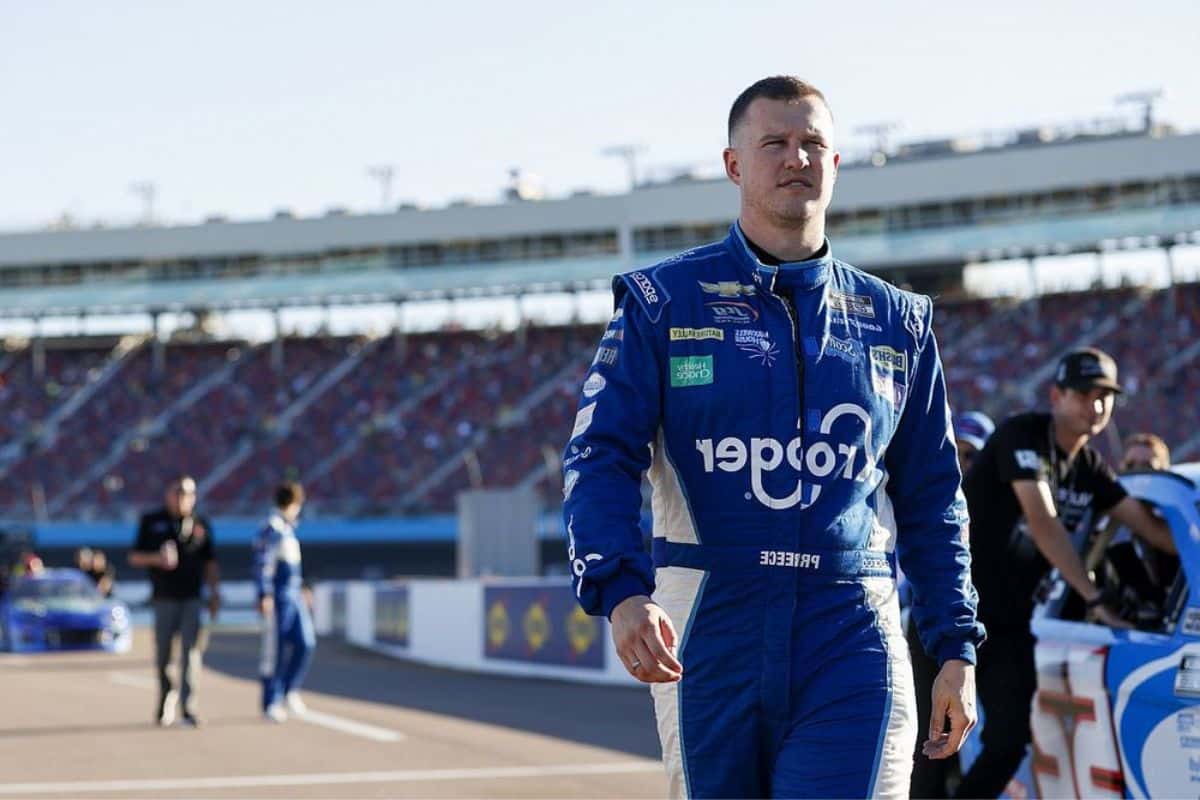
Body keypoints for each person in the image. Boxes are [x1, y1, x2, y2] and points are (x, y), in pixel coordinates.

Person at [562, 75, 984, 798]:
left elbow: (933, 496)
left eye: (813, 143)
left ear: (836, 162)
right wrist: (621, 588)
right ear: (734, 165)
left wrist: (954, 645)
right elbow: (599, 454)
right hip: (709, 630)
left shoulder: (899, 322)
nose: (797, 158)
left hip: (851, 629)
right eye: (775, 144)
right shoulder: (662, 303)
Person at [955, 348, 1175, 798]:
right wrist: (1095, 599)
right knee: (932, 743)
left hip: (1010, 624)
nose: (1095, 406)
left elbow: (1148, 528)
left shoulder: (1090, 467)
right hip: (950, 610)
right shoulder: (1023, 434)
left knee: (1008, 740)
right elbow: (1043, 521)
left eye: (1105, 396)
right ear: (1056, 395)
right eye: (1083, 394)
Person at [908, 410, 995, 799]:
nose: (962, 463)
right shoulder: (926, 504)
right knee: (931, 740)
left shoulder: (1007, 508)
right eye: (955, 451)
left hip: (994, 635)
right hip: (936, 634)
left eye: (973, 455)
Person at [129, 475, 220, 727]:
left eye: (188, 493)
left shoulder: (201, 523)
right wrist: (156, 559)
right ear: (168, 494)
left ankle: (188, 707)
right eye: (178, 492)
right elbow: (134, 557)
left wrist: (214, 593)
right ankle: (166, 697)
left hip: (192, 597)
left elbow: (211, 562)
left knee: (191, 653)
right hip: (164, 598)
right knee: (164, 655)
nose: (182, 498)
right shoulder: (152, 521)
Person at [253, 481, 315, 723]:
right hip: (278, 598)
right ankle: (270, 700)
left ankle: (289, 689)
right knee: (274, 651)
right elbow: (262, 564)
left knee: (305, 642)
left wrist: (302, 590)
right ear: (293, 504)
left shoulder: (288, 530)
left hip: (293, 596)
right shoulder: (272, 529)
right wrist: (264, 594)